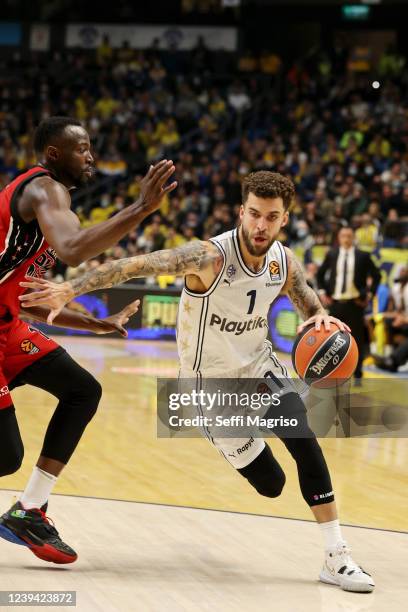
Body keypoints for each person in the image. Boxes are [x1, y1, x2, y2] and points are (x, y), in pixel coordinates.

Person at [21, 171, 374, 592]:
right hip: (212, 391)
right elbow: (134, 265)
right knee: (272, 486)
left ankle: (337, 557)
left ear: (284, 220)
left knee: (306, 445)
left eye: (272, 217)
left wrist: (319, 318)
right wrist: (71, 288)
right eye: (255, 214)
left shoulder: (284, 262)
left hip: (260, 371)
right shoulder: (209, 257)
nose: (261, 226)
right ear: (242, 212)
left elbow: (308, 303)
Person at [0, 116, 176, 564]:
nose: (91, 156)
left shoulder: (42, 210)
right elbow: (76, 248)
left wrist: (96, 324)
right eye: (81, 149)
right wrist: (140, 208)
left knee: (83, 389)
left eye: (91, 147)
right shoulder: (44, 189)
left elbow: (25, 299)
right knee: (4, 455)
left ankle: (30, 509)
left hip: (6, 326)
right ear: (54, 154)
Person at [316, 226, 381, 383]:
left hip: (355, 304)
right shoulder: (332, 254)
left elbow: (377, 275)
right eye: (343, 235)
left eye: (349, 235)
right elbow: (320, 274)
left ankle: (358, 373)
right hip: (336, 303)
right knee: (333, 339)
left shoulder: (363, 256)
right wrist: (324, 292)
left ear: (353, 238)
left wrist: (369, 294)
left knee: (356, 339)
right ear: (338, 238)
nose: (346, 238)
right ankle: (333, 372)